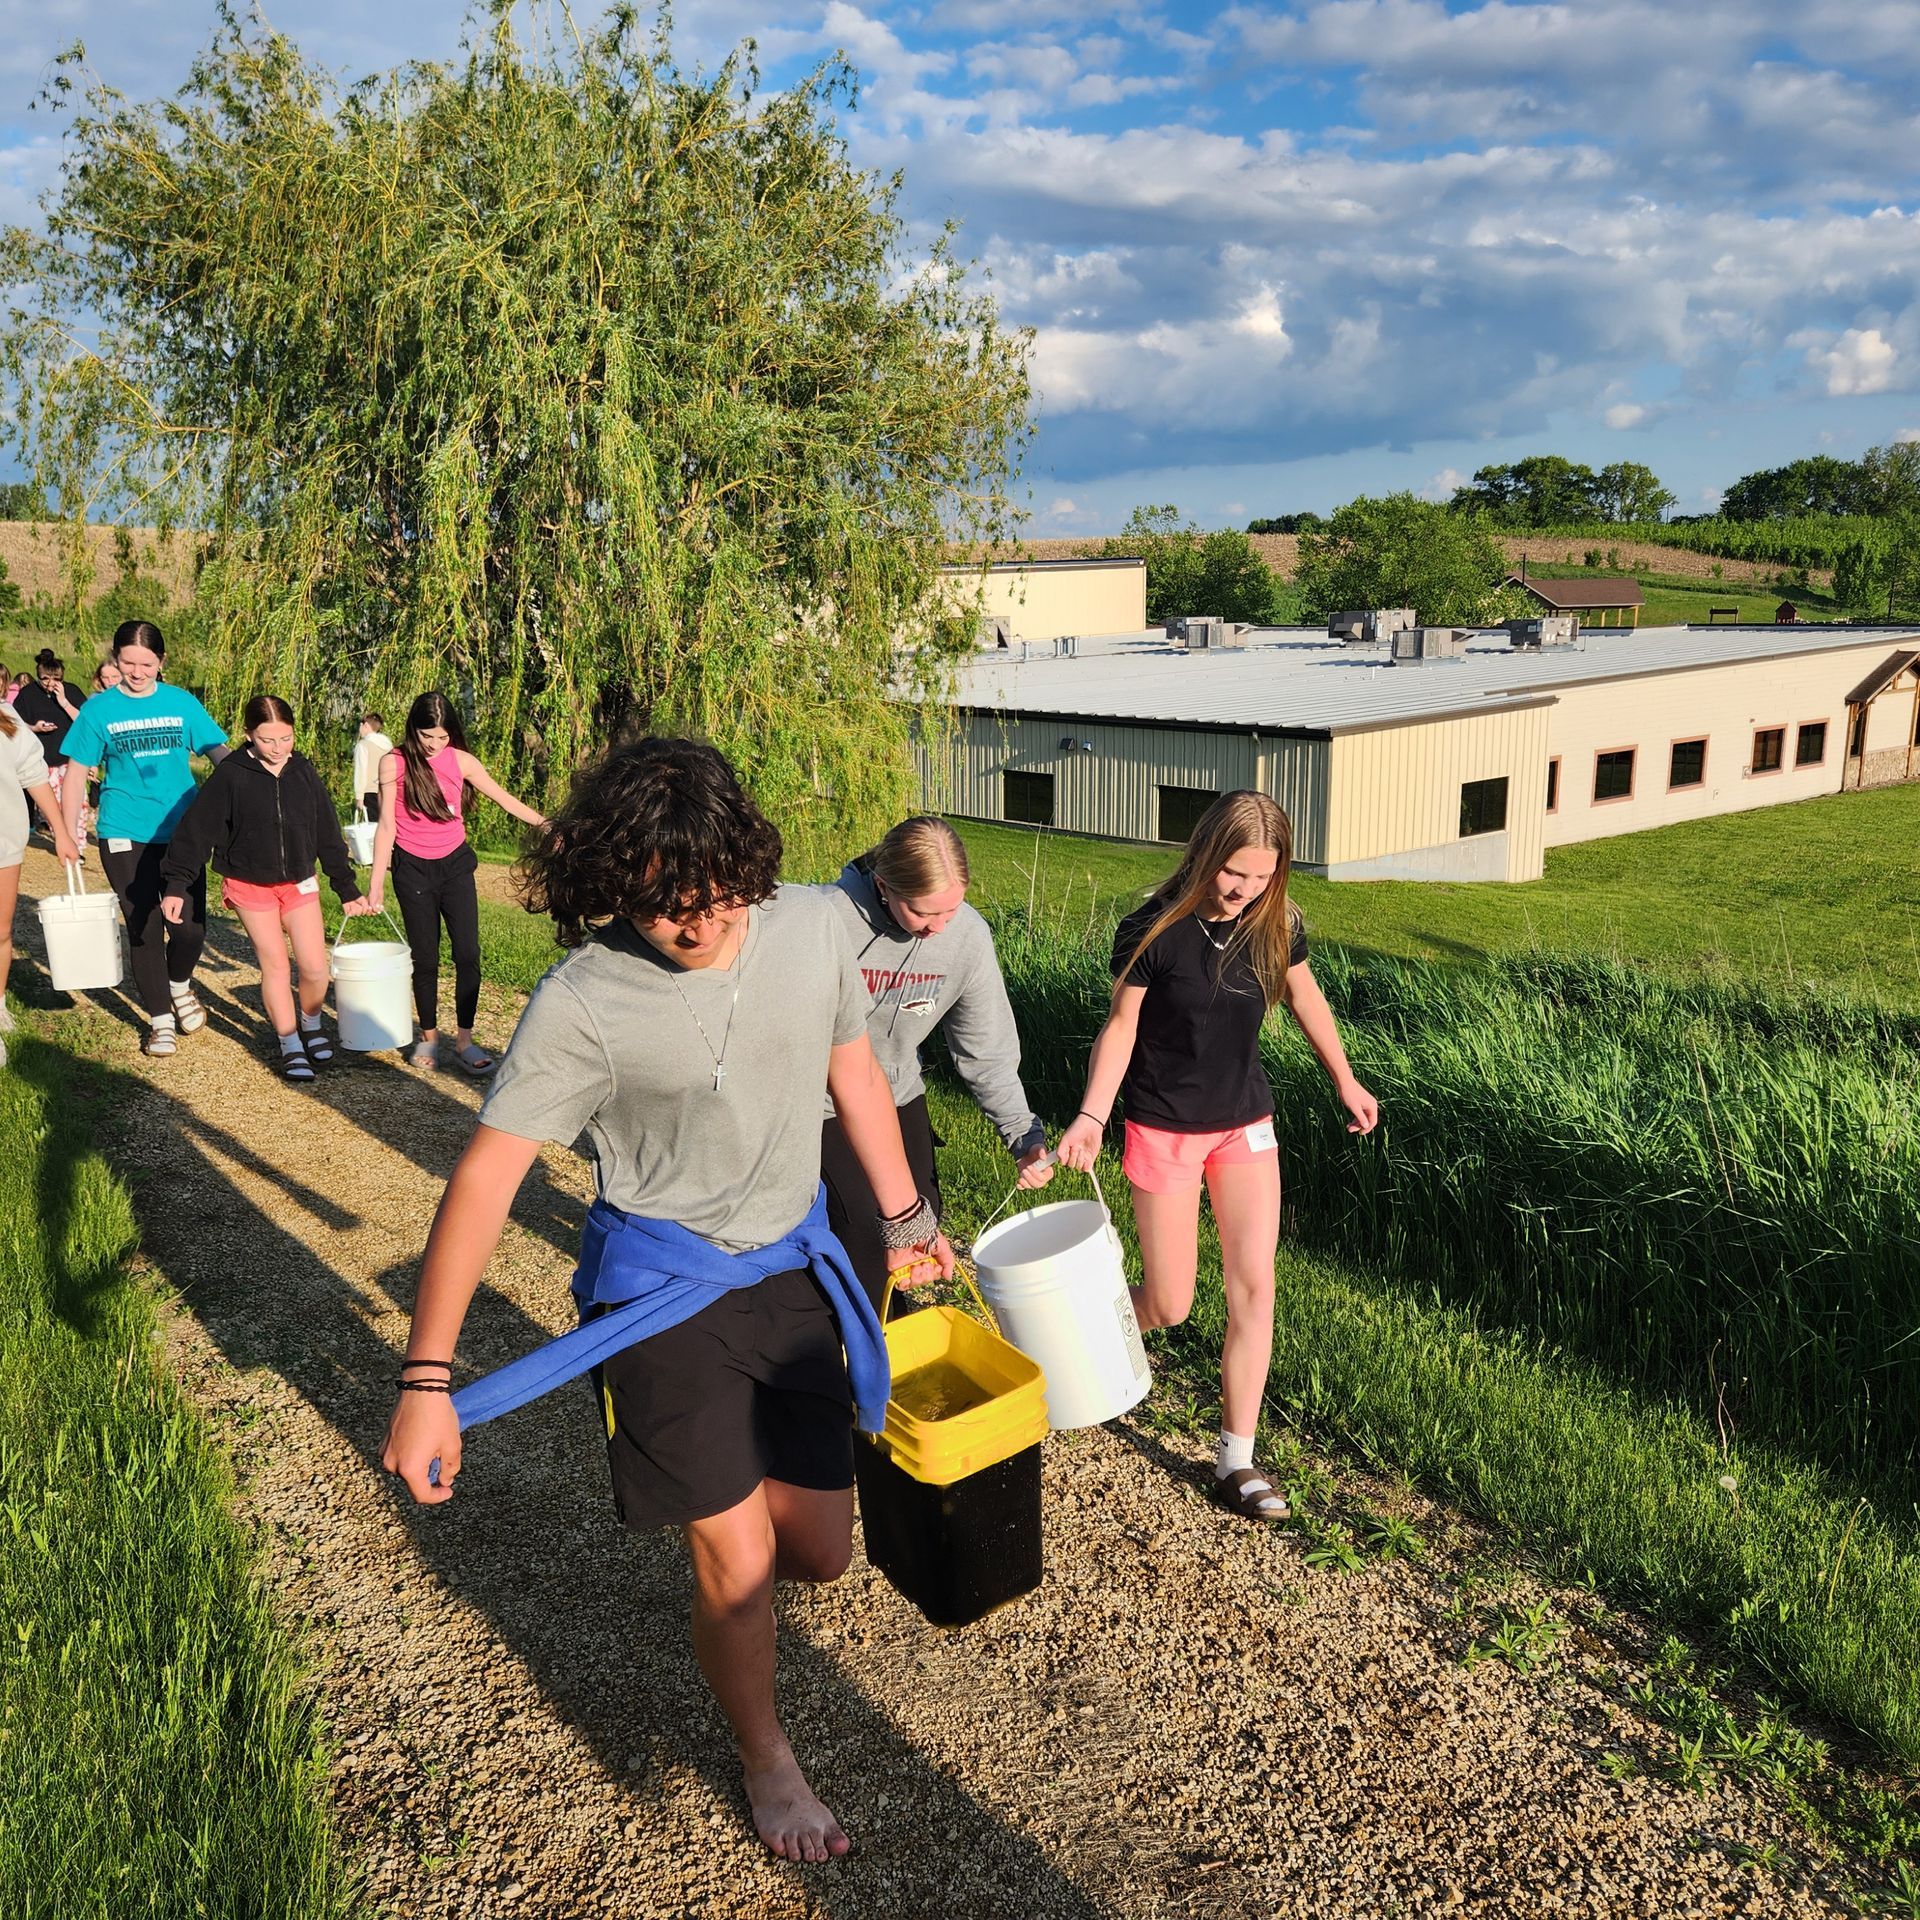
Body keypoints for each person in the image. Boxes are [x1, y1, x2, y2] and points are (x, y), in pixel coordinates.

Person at [381, 736, 952, 1864]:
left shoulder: (809, 931)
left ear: (749, 864)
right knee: (737, 1568)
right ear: (614, 891)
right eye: (659, 909)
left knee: (823, 1551)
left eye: (714, 901)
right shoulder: (582, 1002)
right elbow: (488, 1177)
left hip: (793, 1267)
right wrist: (425, 1380)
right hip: (662, 1288)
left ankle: (727, 1585)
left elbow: (854, 1072)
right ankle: (766, 1758)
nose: (695, 928)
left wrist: (906, 1216)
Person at [1055, 791, 1378, 1523]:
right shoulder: (1154, 926)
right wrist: (1090, 1116)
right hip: (1165, 1126)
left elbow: (1305, 997)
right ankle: (1071, 1348)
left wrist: (1345, 1078)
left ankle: (1235, 1460)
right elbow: (1121, 1026)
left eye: (1261, 877)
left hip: (1244, 1125)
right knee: (1170, 1304)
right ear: (1205, 852)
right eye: (1234, 872)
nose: (1243, 889)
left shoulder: (1276, 923)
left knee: (1253, 1290)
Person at [816, 814, 1054, 1312]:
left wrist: (1022, 1134)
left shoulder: (966, 938)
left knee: (920, 1223)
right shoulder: (826, 921)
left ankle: (890, 1344)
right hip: (819, 1104)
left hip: (898, 1091)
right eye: (924, 913)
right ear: (883, 885)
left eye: (952, 909)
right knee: (862, 1229)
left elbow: (985, 1051)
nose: (938, 928)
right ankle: (852, 1357)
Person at [160, 696, 375, 1083]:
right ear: (248, 736)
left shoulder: (304, 772)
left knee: (314, 967)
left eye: (286, 738)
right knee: (275, 963)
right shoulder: (231, 774)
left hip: (298, 881)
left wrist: (346, 887)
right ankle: (289, 1041)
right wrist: (176, 883)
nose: (278, 749)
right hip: (248, 883)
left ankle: (310, 1023)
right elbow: (196, 831)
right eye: (266, 740)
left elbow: (326, 832)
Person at [58, 620, 229, 1058]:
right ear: (115, 659)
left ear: (162, 662)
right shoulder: (99, 710)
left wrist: (251, 792)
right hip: (123, 832)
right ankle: (161, 1020)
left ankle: (179, 985)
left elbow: (221, 757)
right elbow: (77, 772)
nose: (136, 672)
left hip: (182, 833)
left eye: (146, 664)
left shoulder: (182, 704)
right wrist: (66, 831)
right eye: (127, 662)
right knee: (144, 927)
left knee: (189, 930)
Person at [366, 692, 545, 1074]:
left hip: (455, 867)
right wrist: (376, 883)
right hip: (412, 870)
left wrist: (545, 824)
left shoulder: (462, 762)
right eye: (426, 736)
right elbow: (385, 827)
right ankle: (429, 1037)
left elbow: (504, 799)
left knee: (467, 954)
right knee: (425, 957)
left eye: (443, 738)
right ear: (413, 729)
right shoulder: (392, 763)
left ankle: (464, 1039)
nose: (434, 745)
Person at [0, 693, 83, 1065]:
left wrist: (62, 832)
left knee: (0, 932)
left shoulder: (5, 717)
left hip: (3, 843)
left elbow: (34, 776)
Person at [10, 650, 81, 824]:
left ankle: (75, 843)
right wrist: (34, 727)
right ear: (38, 676)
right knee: (52, 806)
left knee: (76, 803)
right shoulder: (28, 694)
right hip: (42, 758)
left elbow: (84, 722)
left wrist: (63, 701)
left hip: (69, 757)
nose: (50, 684)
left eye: (56, 679)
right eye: (45, 679)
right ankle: (60, 834)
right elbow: (15, 724)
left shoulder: (72, 691)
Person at [351, 711, 393, 822]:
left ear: (365, 725)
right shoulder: (388, 745)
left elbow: (361, 771)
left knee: (373, 829)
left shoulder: (363, 745)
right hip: (389, 790)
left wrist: (359, 796)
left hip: (370, 791)